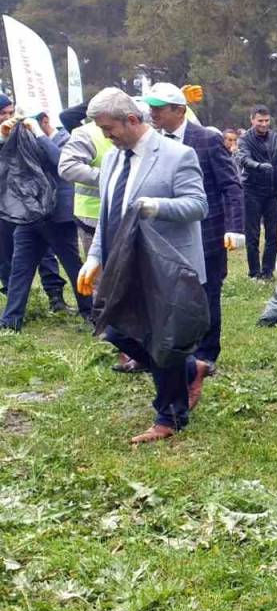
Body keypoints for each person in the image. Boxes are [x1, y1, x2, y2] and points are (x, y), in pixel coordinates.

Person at [75, 88, 208, 444]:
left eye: (109, 129)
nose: (106, 136)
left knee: (161, 339)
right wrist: (94, 257)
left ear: (132, 120)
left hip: (166, 266)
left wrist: (155, 206)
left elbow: (197, 205)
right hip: (124, 264)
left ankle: (169, 418)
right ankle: (187, 368)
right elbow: (108, 216)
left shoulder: (178, 155)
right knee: (115, 330)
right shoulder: (113, 159)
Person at [145, 82, 245, 393]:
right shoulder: (153, 143)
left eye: (160, 108)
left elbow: (230, 185)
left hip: (208, 232)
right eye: (152, 108)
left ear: (179, 110)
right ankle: (175, 351)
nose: (153, 114)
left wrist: (235, 227)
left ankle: (206, 354)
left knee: (207, 293)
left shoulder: (207, 139)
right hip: (169, 235)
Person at [0, 114, 91, 329]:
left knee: (73, 266)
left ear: (45, 121)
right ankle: (10, 321)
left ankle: (90, 313)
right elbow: (7, 164)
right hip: (29, 215)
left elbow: (61, 163)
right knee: (21, 269)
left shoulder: (66, 138)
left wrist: (39, 135)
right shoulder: (20, 141)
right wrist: (3, 138)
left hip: (58, 217)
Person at [238, 105, 277, 279]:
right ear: (252, 120)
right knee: (252, 234)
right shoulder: (245, 139)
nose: (264, 124)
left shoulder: (275, 137)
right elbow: (243, 159)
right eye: (260, 121)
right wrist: (259, 166)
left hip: (273, 191)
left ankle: (267, 271)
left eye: (267, 121)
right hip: (252, 190)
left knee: (273, 233)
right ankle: (254, 272)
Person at [59, 101, 113, 256]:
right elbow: (67, 168)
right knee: (98, 272)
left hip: (125, 214)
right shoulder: (85, 132)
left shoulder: (145, 128)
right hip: (92, 217)